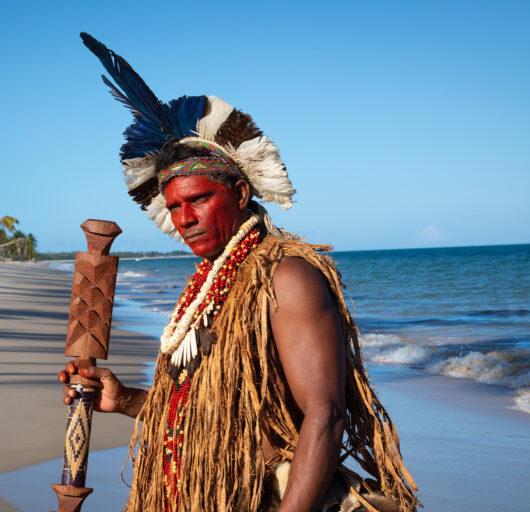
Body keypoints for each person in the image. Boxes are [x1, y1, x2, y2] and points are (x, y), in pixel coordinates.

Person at [58, 34, 420, 512]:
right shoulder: (209, 285)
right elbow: (205, 418)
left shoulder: (285, 276)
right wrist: (124, 399)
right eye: (174, 207)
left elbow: (325, 415)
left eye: (199, 199)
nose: (184, 218)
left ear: (241, 192)